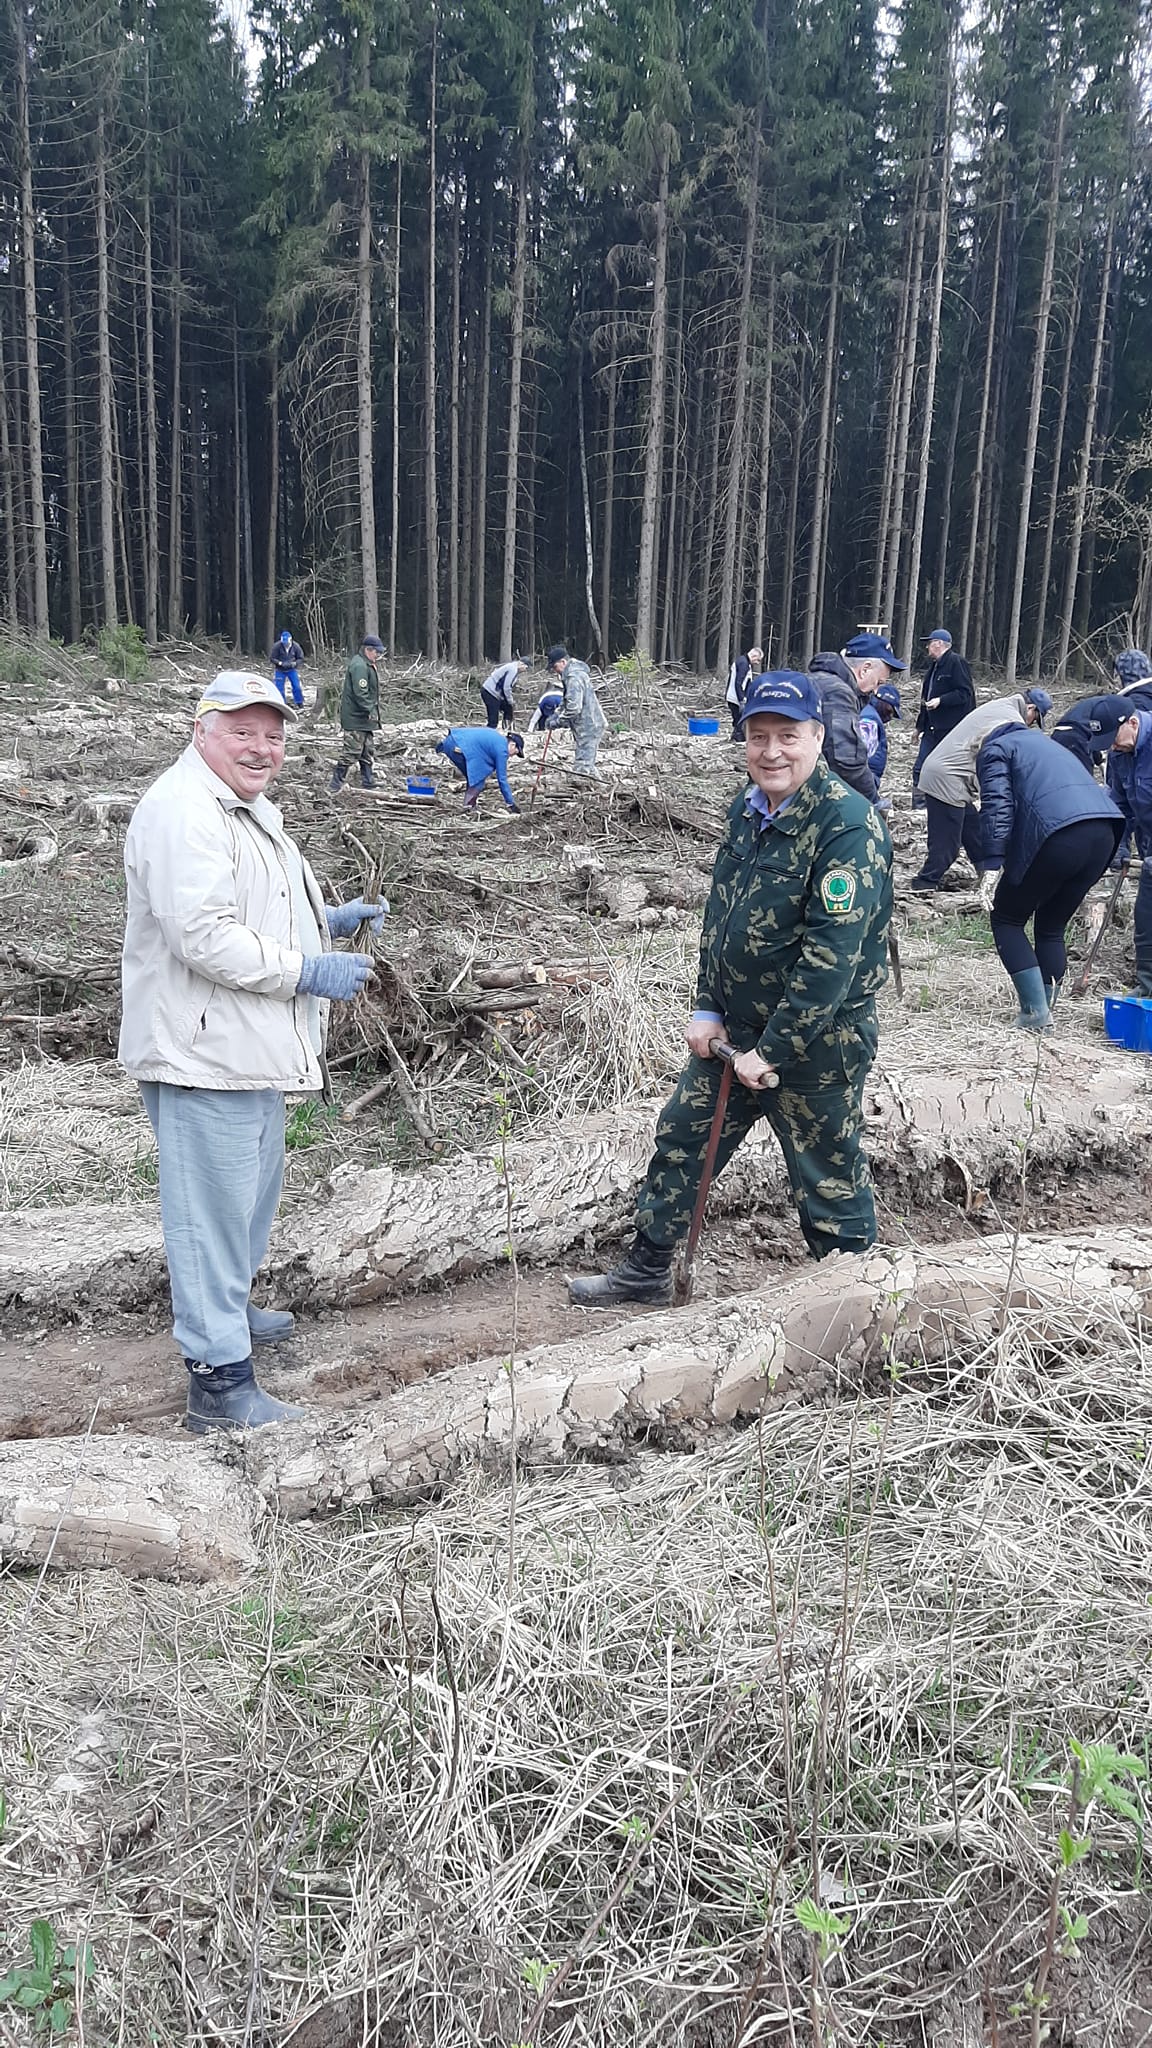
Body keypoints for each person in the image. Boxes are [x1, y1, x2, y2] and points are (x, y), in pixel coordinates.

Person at [568, 672, 893, 1306]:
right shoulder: (746, 811)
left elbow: (832, 960)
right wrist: (708, 1007)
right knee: (683, 1138)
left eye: (788, 737)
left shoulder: (847, 825)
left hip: (816, 1043)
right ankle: (648, 1268)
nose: (772, 751)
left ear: (819, 738)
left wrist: (771, 1053)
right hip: (733, 1035)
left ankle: (858, 1304)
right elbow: (723, 917)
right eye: (759, 736)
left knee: (826, 1174)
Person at [119, 671, 385, 1433]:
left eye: (273, 735)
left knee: (248, 1198)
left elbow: (249, 904)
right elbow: (202, 935)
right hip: (203, 1051)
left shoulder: (244, 806)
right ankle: (219, 1386)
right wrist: (309, 970)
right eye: (244, 731)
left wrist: (324, 919)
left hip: (246, 1046)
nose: (261, 748)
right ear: (203, 730)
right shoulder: (182, 811)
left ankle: (229, 1308)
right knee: (209, 1215)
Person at [975, 719, 1123, 1028]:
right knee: (1051, 926)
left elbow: (998, 806)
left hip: (1060, 834)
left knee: (1007, 918)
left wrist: (991, 862)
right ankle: (1047, 1008)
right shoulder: (1047, 746)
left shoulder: (995, 750)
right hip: (1105, 832)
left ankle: (1034, 1013)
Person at [911, 688, 1053, 891]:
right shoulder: (1009, 720)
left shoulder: (1001, 705)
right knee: (947, 847)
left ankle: (986, 878)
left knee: (974, 833)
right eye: (1035, 718)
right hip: (947, 779)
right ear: (1030, 708)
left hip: (950, 775)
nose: (1031, 724)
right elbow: (992, 757)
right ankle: (923, 884)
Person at [808, 632, 907, 801]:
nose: (876, 691)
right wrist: (871, 802)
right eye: (879, 683)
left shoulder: (816, 680)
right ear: (865, 669)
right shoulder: (838, 694)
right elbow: (846, 761)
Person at [1107, 706, 1152, 995]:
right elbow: (1120, 804)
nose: (1112, 746)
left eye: (1114, 738)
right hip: (1149, 846)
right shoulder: (1119, 753)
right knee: (1146, 916)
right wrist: (1119, 844)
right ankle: (1147, 986)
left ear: (1133, 723)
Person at [913, 629, 975, 795]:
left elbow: (965, 693)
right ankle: (918, 808)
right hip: (931, 729)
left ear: (939, 643)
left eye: (930, 643)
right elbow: (925, 699)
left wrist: (941, 700)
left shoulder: (956, 662)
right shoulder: (933, 668)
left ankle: (941, 802)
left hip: (950, 729)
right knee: (920, 769)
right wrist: (919, 727)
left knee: (944, 771)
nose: (927, 647)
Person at [544, 645, 608, 776]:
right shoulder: (570, 676)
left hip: (589, 725)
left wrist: (558, 722)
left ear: (563, 662)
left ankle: (584, 791)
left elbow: (574, 708)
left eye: (555, 667)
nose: (555, 671)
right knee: (587, 763)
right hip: (587, 725)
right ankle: (600, 787)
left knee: (582, 766)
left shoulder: (574, 678)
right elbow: (567, 700)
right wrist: (556, 713)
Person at [334, 634, 384, 790]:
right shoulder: (359, 666)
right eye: (377, 652)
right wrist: (370, 710)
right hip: (356, 717)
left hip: (364, 719)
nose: (378, 655)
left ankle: (368, 781)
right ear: (368, 650)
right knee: (351, 751)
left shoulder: (366, 664)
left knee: (367, 750)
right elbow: (360, 693)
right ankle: (335, 784)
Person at [435, 726, 524, 811]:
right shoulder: (502, 750)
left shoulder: (497, 738)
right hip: (458, 747)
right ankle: (468, 807)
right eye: (515, 753)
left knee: (475, 779)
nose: (512, 756)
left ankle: (469, 805)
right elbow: (502, 779)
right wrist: (510, 803)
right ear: (512, 745)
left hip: (452, 740)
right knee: (477, 781)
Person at [1049, 694, 1131, 775]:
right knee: (1084, 778)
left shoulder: (1101, 704)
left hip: (1058, 733)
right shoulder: (1111, 710)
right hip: (1075, 735)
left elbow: (1097, 735)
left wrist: (1099, 761)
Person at [859, 681, 902, 791]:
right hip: (864, 780)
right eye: (890, 711)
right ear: (885, 704)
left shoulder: (869, 713)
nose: (890, 717)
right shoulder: (870, 720)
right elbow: (862, 755)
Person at [725, 644, 764, 739]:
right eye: (758, 660)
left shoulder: (744, 662)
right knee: (739, 719)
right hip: (735, 698)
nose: (758, 663)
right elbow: (739, 683)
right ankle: (737, 737)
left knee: (739, 719)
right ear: (754, 656)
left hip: (736, 697)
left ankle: (736, 735)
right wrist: (741, 699)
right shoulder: (744, 664)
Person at [480, 659, 527, 729]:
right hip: (490, 692)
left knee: (508, 709)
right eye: (526, 667)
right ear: (521, 664)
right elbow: (506, 687)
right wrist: (510, 700)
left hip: (496, 693)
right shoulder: (512, 669)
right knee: (493, 719)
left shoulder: (514, 671)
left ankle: (507, 728)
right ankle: (489, 733)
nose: (525, 670)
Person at [271, 629, 305, 708]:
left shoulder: (296, 646)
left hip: (291, 669)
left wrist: (295, 663)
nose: (285, 645)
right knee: (279, 688)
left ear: (291, 640)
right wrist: (280, 663)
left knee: (296, 686)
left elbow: (301, 658)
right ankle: (282, 703)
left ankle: (299, 702)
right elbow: (272, 658)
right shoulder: (277, 646)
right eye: (284, 643)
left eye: (287, 643)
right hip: (280, 670)